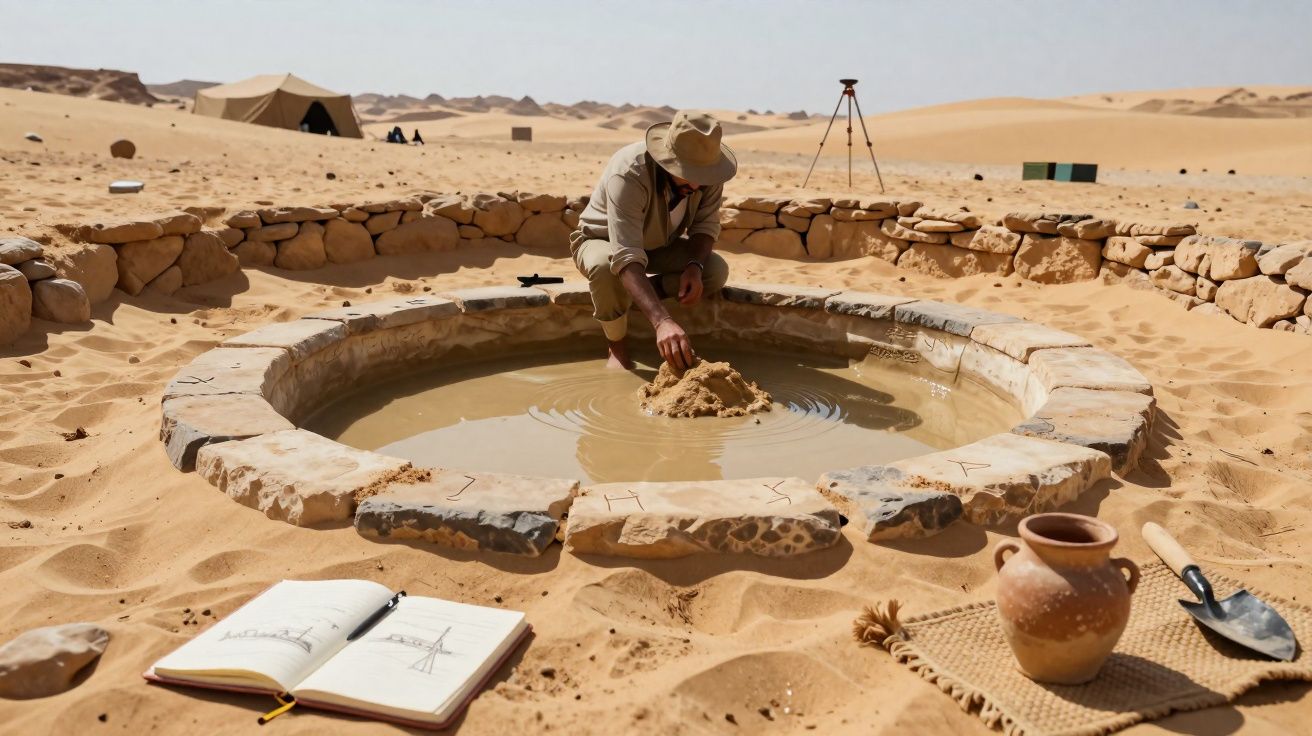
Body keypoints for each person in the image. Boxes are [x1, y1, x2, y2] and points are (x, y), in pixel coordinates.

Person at [570, 110, 736, 370]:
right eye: (688, 173)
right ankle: (617, 346)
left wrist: (695, 267)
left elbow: (705, 226)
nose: (696, 184)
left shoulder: (708, 174)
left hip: (658, 245)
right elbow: (626, 253)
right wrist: (661, 322)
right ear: (668, 161)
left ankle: (636, 298)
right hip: (603, 241)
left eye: (702, 176)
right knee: (605, 266)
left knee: (714, 271)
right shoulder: (629, 173)